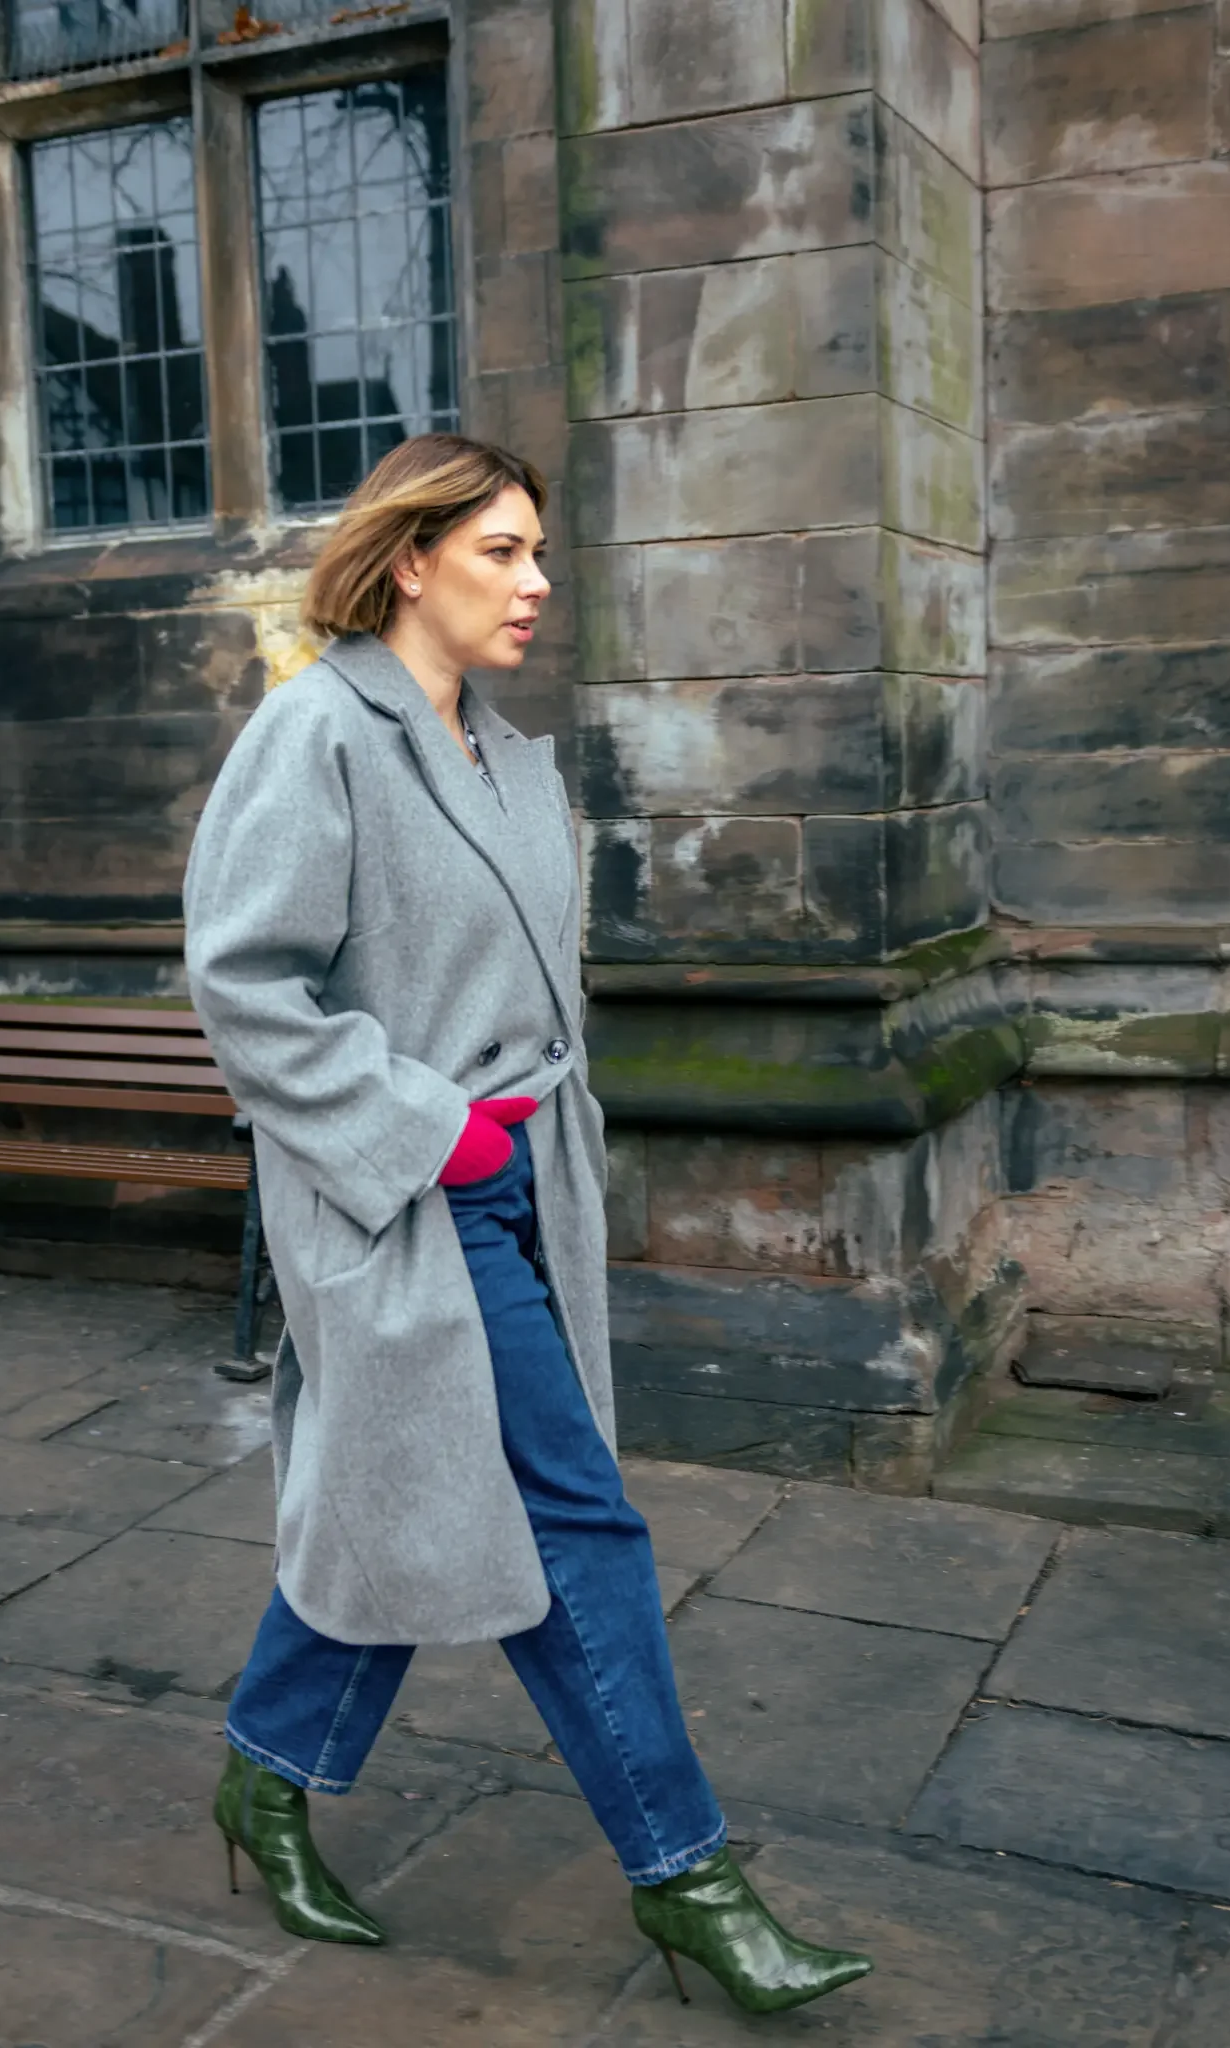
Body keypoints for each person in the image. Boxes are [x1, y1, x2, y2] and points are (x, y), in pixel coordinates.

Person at [182, 433, 872, 2016]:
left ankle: (265, 1775)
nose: (537, 583)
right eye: (501, 551)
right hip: (403, 1194)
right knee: (572, 1522)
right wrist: (441, 1131)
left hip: (515, 1183)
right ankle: (690, 1878)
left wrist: (516, 1140)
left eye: (539, 553)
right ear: (410, 561)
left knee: (416, 1497)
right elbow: (242, 985)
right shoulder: (318, 735)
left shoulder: (503, 749)